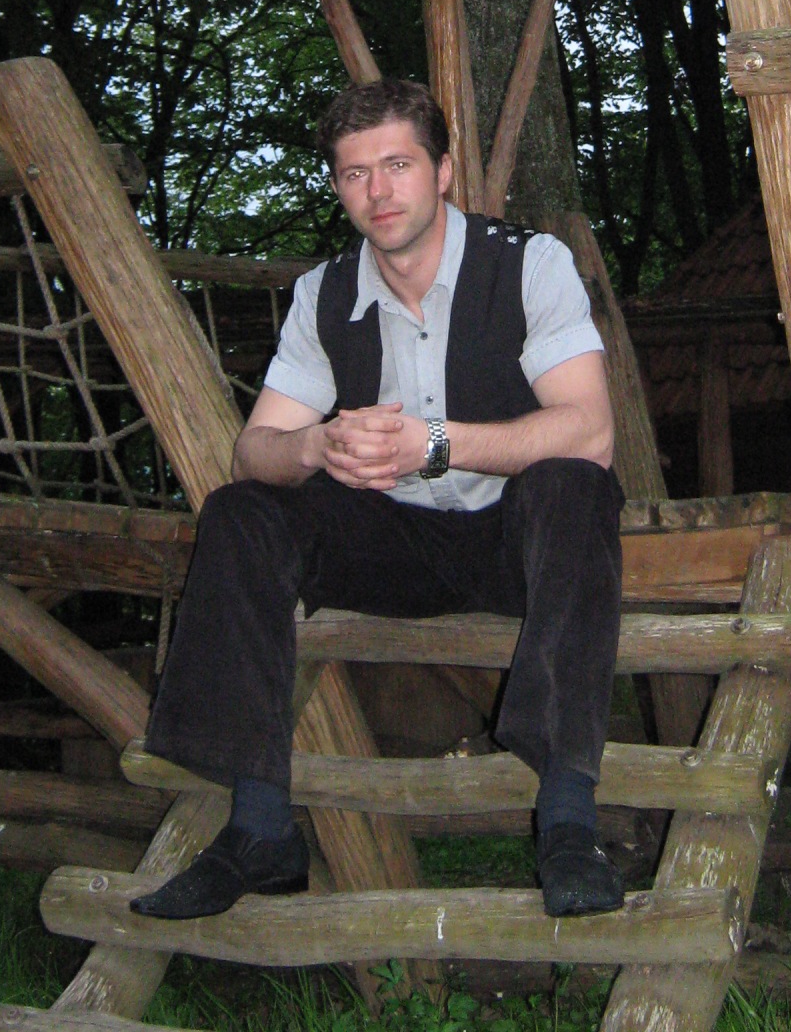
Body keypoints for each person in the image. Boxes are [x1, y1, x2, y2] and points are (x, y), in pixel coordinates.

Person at [134, 77, 626, 923]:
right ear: (338, 186)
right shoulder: (324, 294)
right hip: (392, 545)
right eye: (355, 173)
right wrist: (315, 447)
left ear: (443, 172)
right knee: (240, 511)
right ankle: (259, 827)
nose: (378, 191)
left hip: (519, 543)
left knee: (575, 483)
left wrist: (434, 443)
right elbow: (254, 449)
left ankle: (568, 821)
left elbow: (591, 431)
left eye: (398, 165)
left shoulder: (529, 265)